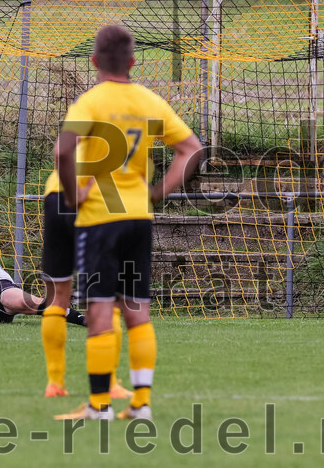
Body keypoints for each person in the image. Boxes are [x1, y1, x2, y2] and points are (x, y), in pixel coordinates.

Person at [53, 25, 204, 421]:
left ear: (94, 62)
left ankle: (100, 406)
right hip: (139, 217)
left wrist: (71, 195)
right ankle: (141, 403)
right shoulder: (150, 101)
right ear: (133, 62)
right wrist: (159, 191)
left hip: (100, 219)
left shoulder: (90, 102)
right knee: (137, 311)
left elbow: (63, 151)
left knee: (100, 312)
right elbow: (192, 150)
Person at [40, 170, 132, 401]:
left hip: (56, 193)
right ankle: (110, 383)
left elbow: (62, 149)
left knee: (57, 297)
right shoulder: (115, 134)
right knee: (104, 300)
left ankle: (55, 383)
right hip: (94, 195)